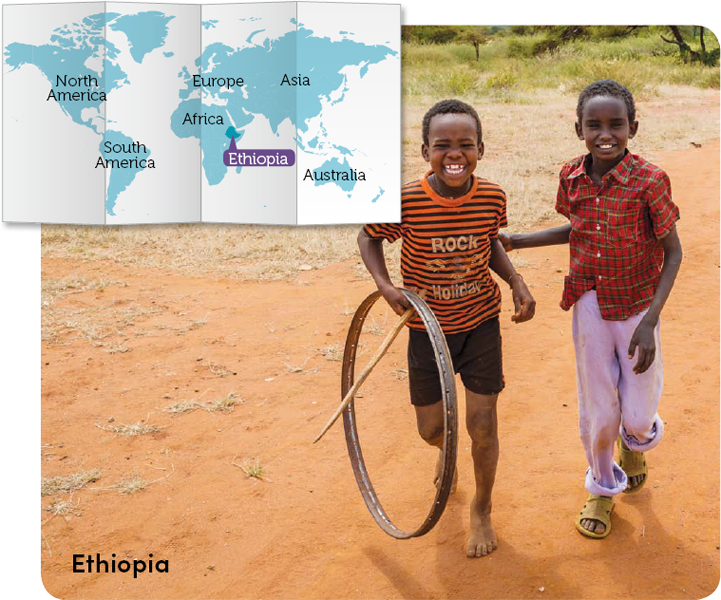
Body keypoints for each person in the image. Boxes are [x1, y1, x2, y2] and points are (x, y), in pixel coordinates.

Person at [500, 79, 683, 539]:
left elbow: (674, 251)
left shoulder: (650, 181)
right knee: (599, 409)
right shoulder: (571, 176)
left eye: (615, 124)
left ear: (632, 127)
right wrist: (519, 239)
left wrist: (651, 322)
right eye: (594, 124)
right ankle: (602, 487)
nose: (606, 133)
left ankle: (635, 443)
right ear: (578, 128)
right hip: (589, 304)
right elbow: (577, 228)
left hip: (639, 309)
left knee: (637, 414)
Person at [358, 99, 535, 557]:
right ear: (424, 151)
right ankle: (445, 451)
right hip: (426, 330)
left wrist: (515, 280)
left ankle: (482, 509)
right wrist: (384, 285)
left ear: (480, 149)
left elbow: (490, 242)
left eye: (465, 145)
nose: (454, 154)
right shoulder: (407, 201)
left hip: (480, 324)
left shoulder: (492, 197)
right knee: (432, 429)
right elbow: (368, 235)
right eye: (442, 146)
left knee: (483, 426)